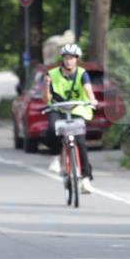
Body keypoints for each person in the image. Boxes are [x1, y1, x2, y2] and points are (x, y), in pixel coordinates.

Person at [45, 43, 97, 193]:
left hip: (77, 109)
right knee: (52, 129)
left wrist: (92, 99)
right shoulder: (52, 74)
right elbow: (46, 99)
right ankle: (55, 158)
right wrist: (46, 86)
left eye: (72, 58)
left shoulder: (82, 73)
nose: (69, 61)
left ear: (76, 59)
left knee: (80, 142)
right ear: (63, 59)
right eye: (66, 58)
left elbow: (88, 89)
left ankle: (86, 179)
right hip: (57, 108)